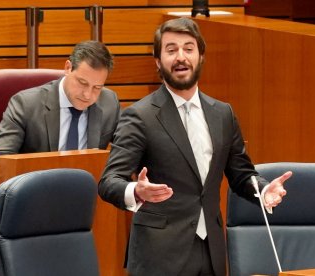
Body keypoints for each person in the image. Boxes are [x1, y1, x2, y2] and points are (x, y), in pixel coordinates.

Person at [98, 17, 292, 276]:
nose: (181, 57)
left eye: (189, 48)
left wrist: (264, 189)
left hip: (211, 252)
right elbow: (109, 181)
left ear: (201, 56)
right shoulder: (140, 116)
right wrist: (136, 190)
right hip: (159, 256)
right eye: (171, 50)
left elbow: (241, 174)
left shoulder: (223, 114)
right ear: (158, 61)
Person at [0, 40, 120, 156]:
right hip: (37, 183)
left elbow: (130, 148)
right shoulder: (26, 105)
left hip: (89, 183)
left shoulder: (109, 102)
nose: (88, 95)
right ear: (68, 68)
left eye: (97, 87)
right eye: (82, 83)